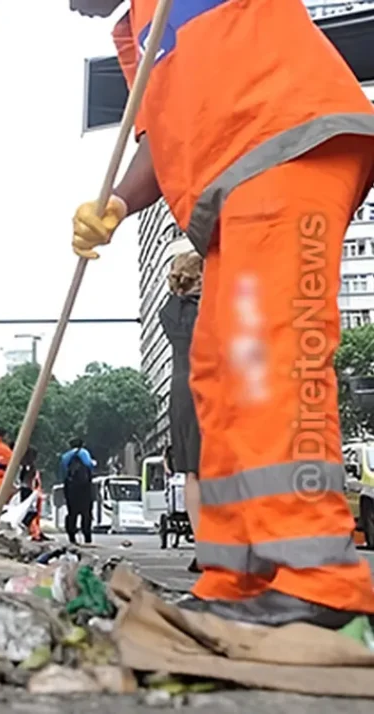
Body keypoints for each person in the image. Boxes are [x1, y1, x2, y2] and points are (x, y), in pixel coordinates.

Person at [70, 0, 374, 626]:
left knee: (267, 357)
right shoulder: (139, 30)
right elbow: (160, 138)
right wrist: (118, 205)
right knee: (218, 372)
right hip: (235, 187)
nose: (69, 7)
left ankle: (319, 580)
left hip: (290, 145)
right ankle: (239, 576)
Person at [160, 253, 204, 574]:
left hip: (181, 390)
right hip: (211, 384)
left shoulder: (168, 313)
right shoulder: (209, 308)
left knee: (192, 472)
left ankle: (203, 548)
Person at [61, 438, 96, 544]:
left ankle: (72, 536)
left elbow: (63, 472)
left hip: (71, 489)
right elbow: (89, 464)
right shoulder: (84, 452)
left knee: (72, 513)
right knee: (86, 513)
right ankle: (87, 536)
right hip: (84, 488)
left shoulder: (65, 456)